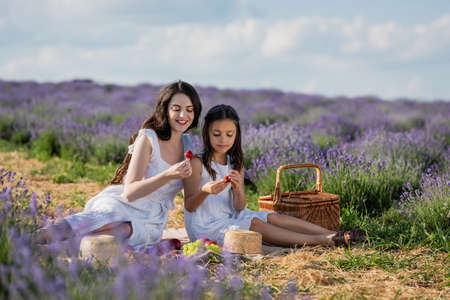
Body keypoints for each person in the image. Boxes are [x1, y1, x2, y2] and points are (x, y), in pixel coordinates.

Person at [33, 80, 202, 249]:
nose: (183, 116)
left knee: (124, 230)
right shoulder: (149, 138)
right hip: (124, 205)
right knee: (105, 219)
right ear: (165, 109)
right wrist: (168, 174)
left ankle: (52, 249)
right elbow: (129, 193)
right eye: (176, 109)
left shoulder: (188, 144)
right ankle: (38, 237)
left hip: (152, 220)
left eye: (189, 110)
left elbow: (191, 196)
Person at [183, 104, 366, 247]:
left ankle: (335, 234)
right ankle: (321, 241)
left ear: (236, 135)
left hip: (231, 217)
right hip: (205, 226)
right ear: (207, 134)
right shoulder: (198, 163)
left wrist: (238, 190)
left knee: (272, 216)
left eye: (229, 134)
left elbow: (239, 208)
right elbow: (190, 206)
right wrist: (206, 190)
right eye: (217, 134)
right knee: (255, 223)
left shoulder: (235, 163)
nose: (223, 140)